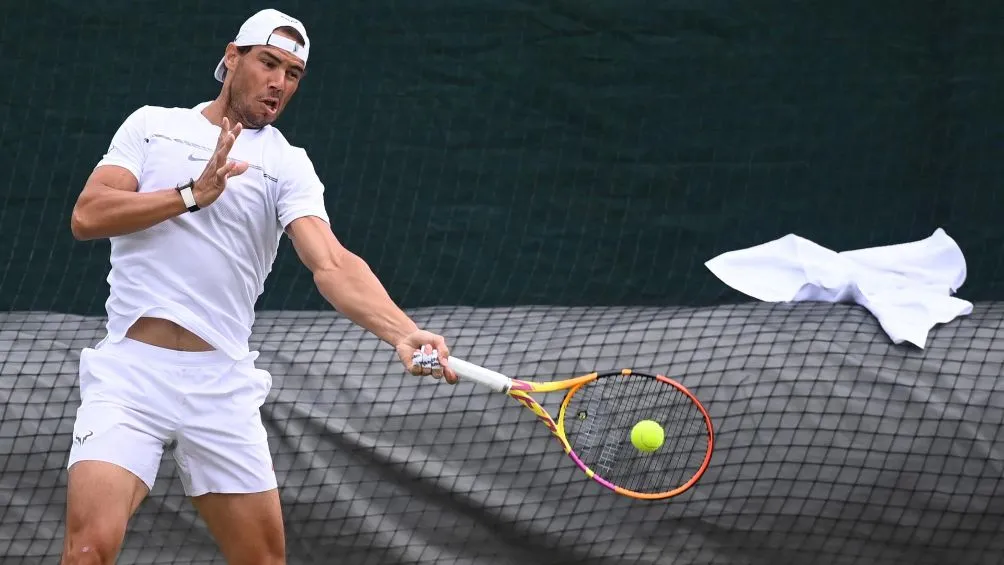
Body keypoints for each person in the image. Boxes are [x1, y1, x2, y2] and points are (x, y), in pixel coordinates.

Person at [61, 9, 456, 565]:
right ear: (231, 58)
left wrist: (404, 332)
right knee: (86, 552)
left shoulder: (287, 165)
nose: (279, 83)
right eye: (269, 63)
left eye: (293, 74)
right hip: (130, 377)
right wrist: (190, 195)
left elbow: (332, 264)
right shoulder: (151, 125)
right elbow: (88, 214)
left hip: (221, 385)